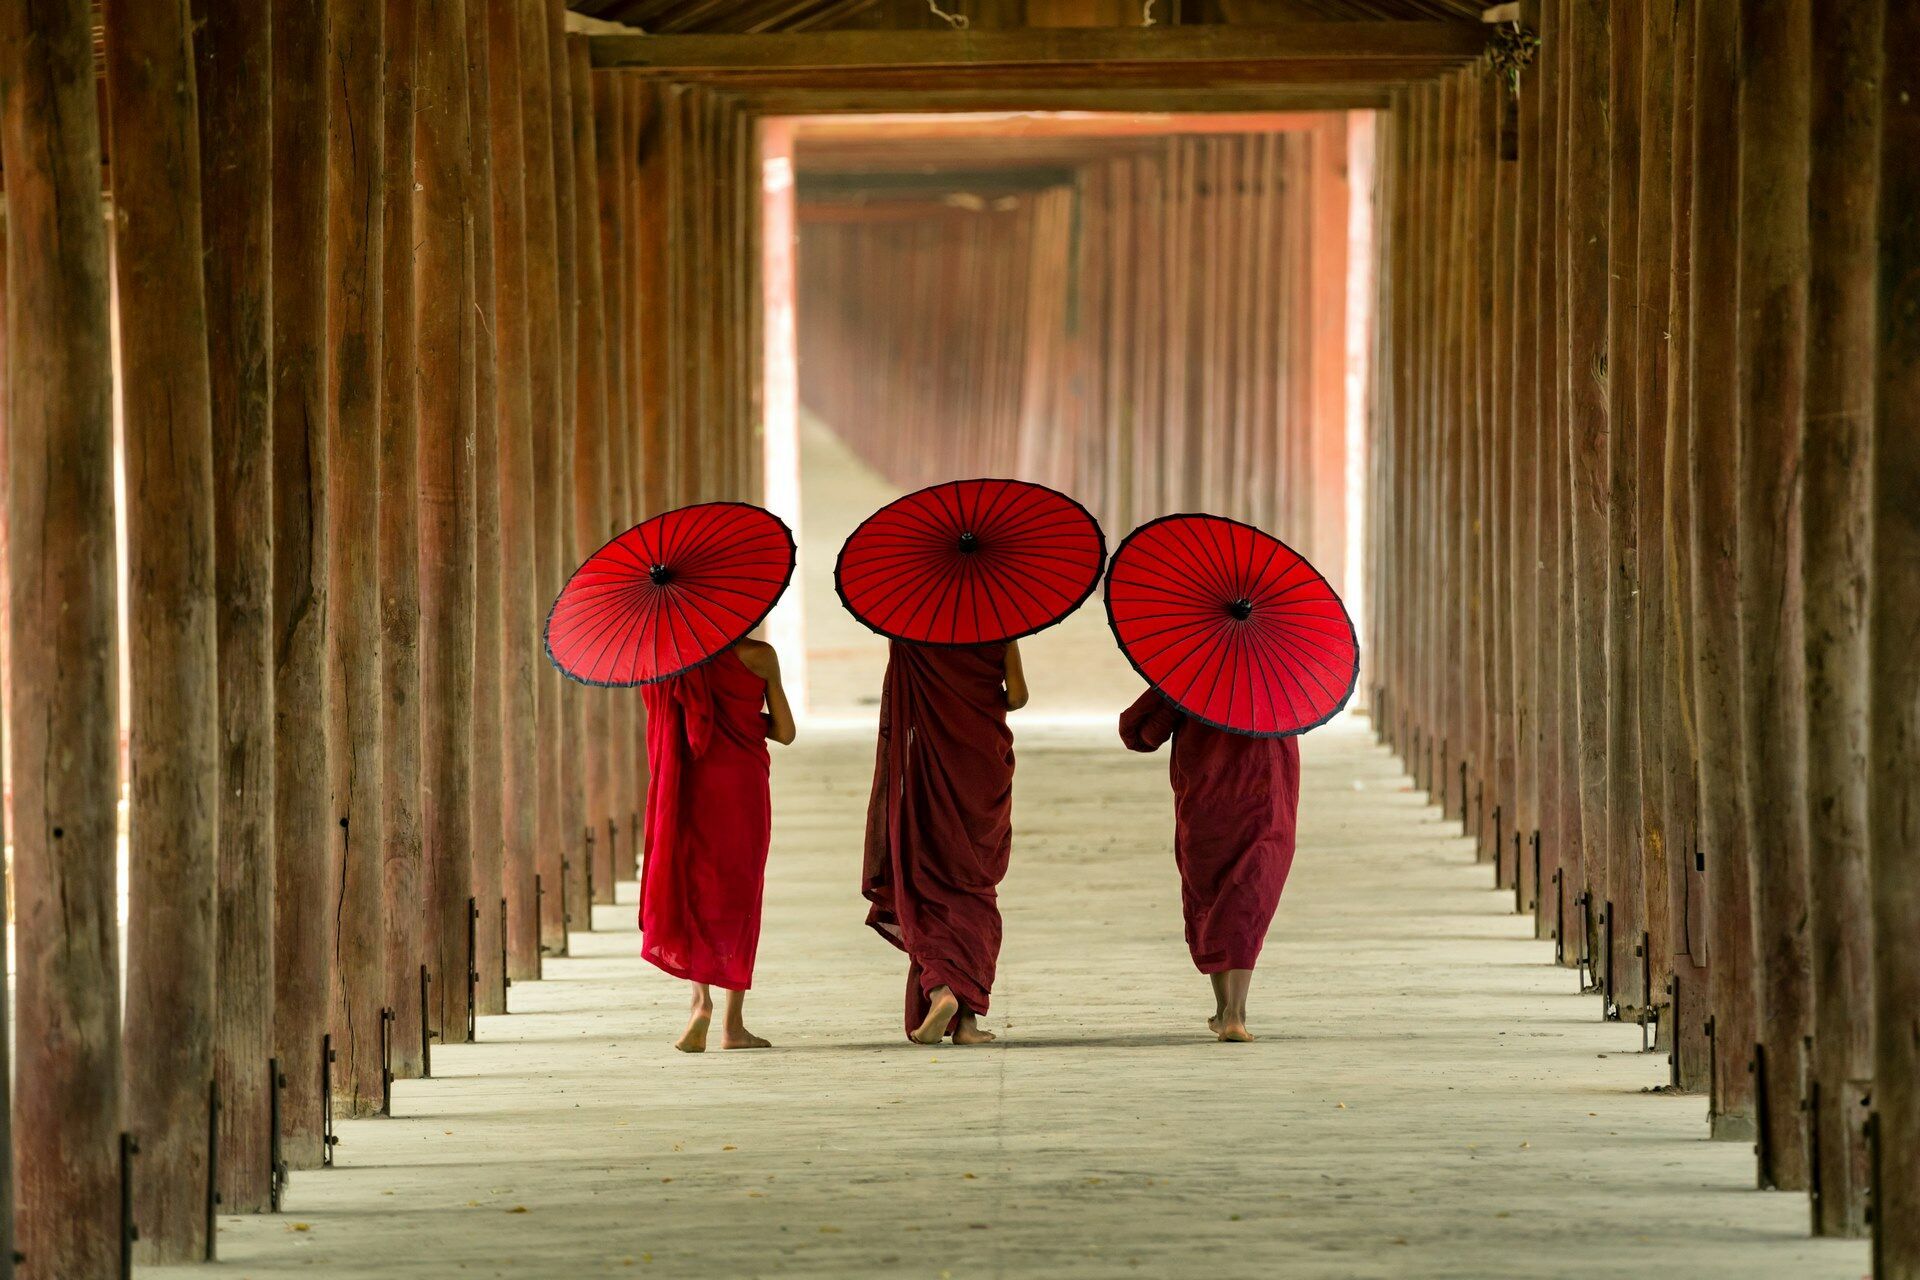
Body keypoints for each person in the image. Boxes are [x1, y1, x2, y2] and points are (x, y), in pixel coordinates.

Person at [862, 639, 1028, 1045]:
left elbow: (901, 700)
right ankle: (967, 1023)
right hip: (983, 766)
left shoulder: (907, 635)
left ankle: (940, 990)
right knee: (975, 888)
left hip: (929, 771)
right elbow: (1019, 697)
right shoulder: (1001, 632)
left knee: (926, 883)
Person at [639, 637, 796, 1052]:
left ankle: (700, 1003)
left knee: (696, 890)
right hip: (742, 785)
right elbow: (786, 732)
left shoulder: (664, 660)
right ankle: (734, 1025)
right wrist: (747, 720)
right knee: (740, 897)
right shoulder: (761, 656)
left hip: (689, 786)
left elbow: (666, 724)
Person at [1118, 687, 1301, 1043]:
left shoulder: (1195, 672)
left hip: (1206, 794)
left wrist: (1175, 693)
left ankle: (1223, 1010)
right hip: (1266, 795)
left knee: (1212, 895)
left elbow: (1139, 733)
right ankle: (1235, 1013)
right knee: (1249, 896)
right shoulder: (1281, 675)